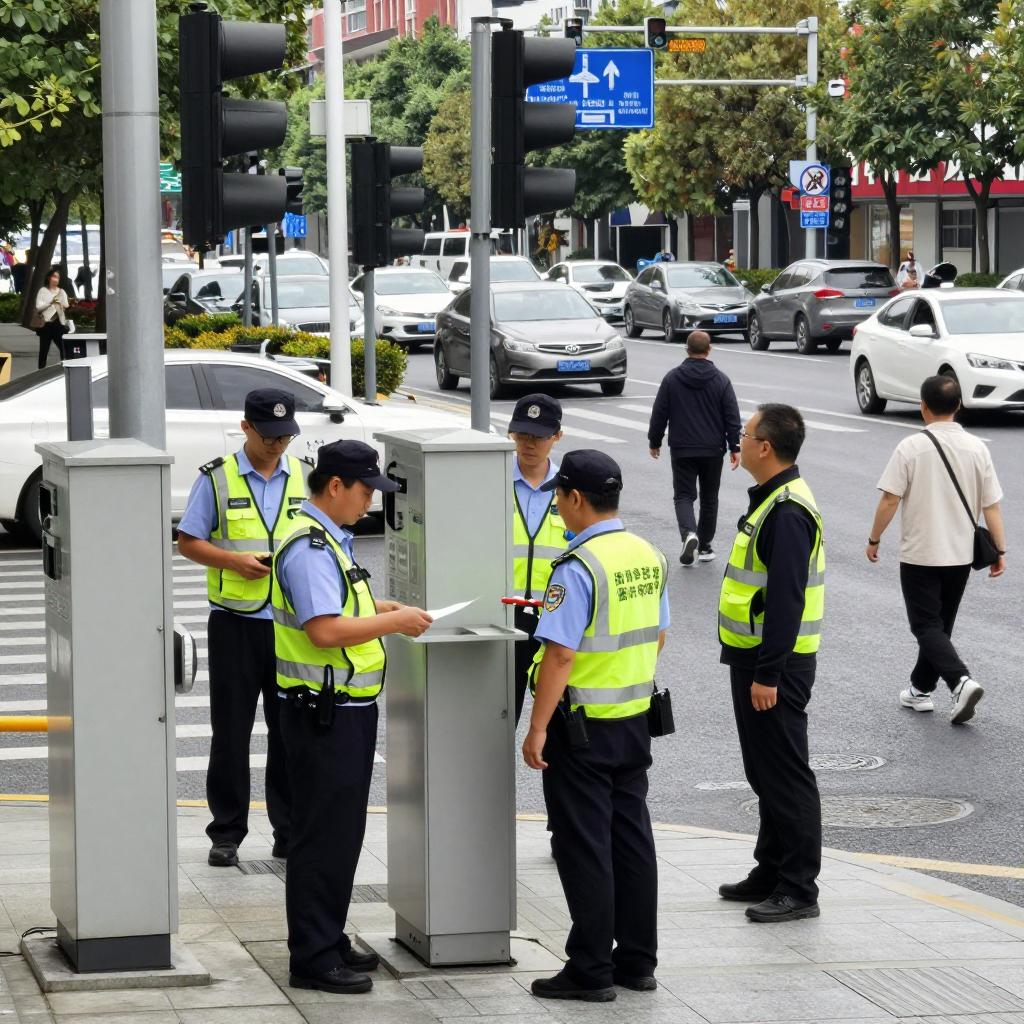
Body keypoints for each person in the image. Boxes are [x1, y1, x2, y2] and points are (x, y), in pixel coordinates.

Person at [272, 440, 432, 994]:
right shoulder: (312, 548)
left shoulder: (330, 543)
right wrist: (396, 623)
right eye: (365, 491)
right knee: (322, 834)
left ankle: (329, 936)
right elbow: (324, 630)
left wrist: (380, 608)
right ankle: (313, 957)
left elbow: (340, 612)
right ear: (335, 486)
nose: (368, 503)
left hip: (341, 710)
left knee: (342, 831)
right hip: (324, 713)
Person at [523, 450, 669, 1003]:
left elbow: (559, 656)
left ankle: (589, 969)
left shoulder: (578, 567)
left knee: (584, 846)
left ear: (575, 498)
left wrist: (537, 729)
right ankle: (636, 961)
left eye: (559, 496)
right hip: (632, 720)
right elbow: (657, 635)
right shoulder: (647, 554)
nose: (558, 506)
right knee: (631, 840)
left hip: (580, 727)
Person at [177, 389, 308, 868]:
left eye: (285, 435)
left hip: (291, 625)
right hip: (235, 623)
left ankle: (288, 830)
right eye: (269, 435)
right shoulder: (216, 479)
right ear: (246, 428)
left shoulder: (305, 477)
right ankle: (226, 832)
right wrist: (233, 559)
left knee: (288, 729)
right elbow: (188, 542)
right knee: (230, 732)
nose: (278, 445)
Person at [717, 404, 823, 923]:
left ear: (765, 447)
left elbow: (787, 600)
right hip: (757, 659)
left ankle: (799, 887)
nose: (740, 437)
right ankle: (772, 867)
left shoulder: (787, 511)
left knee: (785, 774)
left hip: (775, 665)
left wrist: (768, 674)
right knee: (763, 771)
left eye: (745, 432)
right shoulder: (770, 501)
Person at [867, 375, 1005, 724]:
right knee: (939, 625)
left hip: (920, 553)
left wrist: (874, 538)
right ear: (958, 405)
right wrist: (999, 550)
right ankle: (919, 690)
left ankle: (960, 682)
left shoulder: (911, 447)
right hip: (960, 554)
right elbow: (992, 506)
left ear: (923, 407)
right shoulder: (977, 448)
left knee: (926, 626)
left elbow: (889, 498)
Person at [648, 331, 742, 566]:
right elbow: (732, 416)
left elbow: (660, 413)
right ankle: (706, 546)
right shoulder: (721, 380)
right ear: (709, 349)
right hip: (713, 449)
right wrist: (735, 446)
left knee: (683, 495)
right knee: (710, 498)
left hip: (682, 448)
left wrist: (655, 441)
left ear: (686, 349)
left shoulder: (672, 379)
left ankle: (689, 534)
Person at [508, 393, 567, 724]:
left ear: (557, 436)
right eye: (523, 435)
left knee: (559, 721)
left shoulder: (569, 488)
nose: (529, 444)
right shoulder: (492, 481)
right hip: (506, 617)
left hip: (555, 619)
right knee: (501, 718)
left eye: (539, 436)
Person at [32, 267, 70, 369]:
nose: (56, 279)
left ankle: (64, 369)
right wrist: (50, 303)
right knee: (44, 350)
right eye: (54, 276)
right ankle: (40, 371)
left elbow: (66, 305)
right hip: (46, 325)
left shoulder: (61, 291)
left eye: (57, 277)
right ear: (49, 278)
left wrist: (61, 304)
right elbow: (38, 307)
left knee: (63, 348)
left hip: (59, 324)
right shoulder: (43, 291)